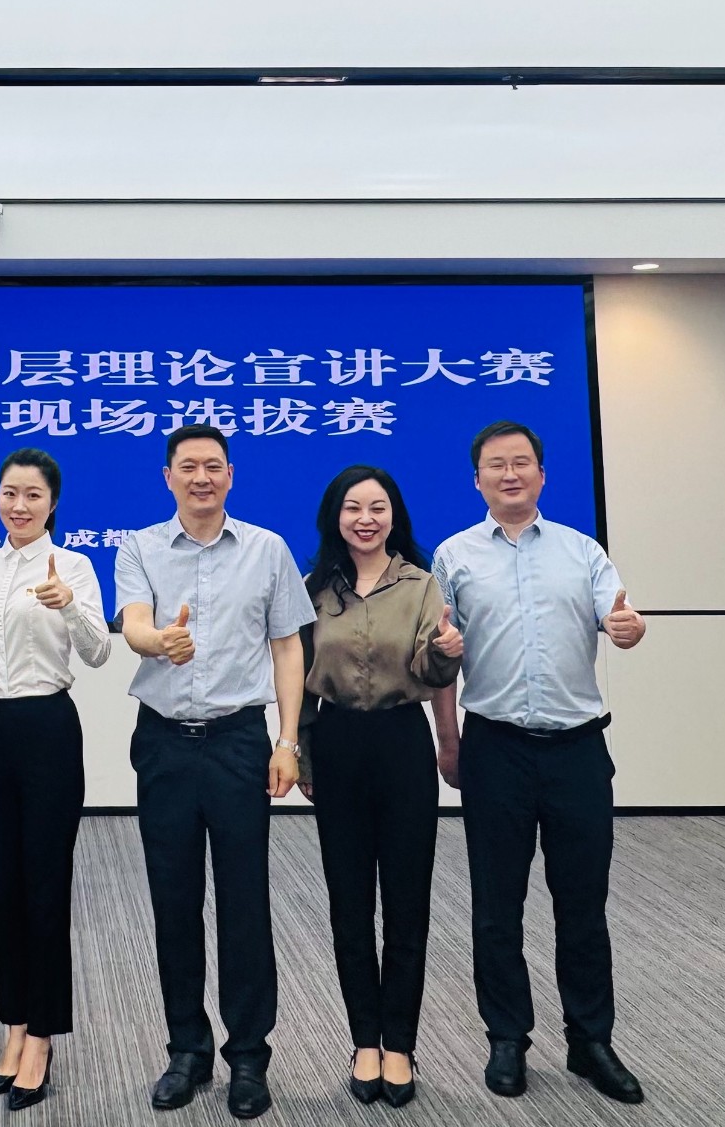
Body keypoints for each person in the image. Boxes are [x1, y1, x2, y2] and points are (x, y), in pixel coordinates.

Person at [431, 421, 648, 1105]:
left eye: (522, 462)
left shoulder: (583, 551)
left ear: (542, 475)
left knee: (583, 903)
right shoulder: (453, 556)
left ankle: (591, 1040)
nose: (510, 474)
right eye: (496, 465)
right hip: (495, 746)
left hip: (577, 749)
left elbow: (622, 618)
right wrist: (447, 738)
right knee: (497, 904)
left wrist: (629, 628)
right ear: (477, 480)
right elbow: (441, 655)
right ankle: (507, 1038)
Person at [115, 424, 317, 1121]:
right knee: (173, 900)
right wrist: (158, 641)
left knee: (243, 901)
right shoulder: (139, 546)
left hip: (238, 742)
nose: (201, 478)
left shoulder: (268, 549)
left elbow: (288, 647)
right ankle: (187, 1049)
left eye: (213, 466)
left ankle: (249, 1056)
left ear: (230, 474)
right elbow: (135, 623)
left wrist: (287, 741)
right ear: (167, 476)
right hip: (164, 744)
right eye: (188, 467)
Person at [0, 449, 111, 1111]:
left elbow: (98, 652)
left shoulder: (74, 565)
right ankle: (13, 1025)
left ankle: (41, 1035)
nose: (19, 505)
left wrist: (68, 605)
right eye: (10, 493)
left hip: (47, 726)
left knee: (45, 886)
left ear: (52, 503)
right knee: (1, 886)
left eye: (33, 495)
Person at [296, 465, 462, 1108]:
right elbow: (298, 679)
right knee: (348, 902)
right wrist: (301, 755)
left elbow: (430, 669)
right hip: (337, 744)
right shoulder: (314, 589)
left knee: (406, 901)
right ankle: (364, 1040)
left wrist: (446, 651)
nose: (365, 519)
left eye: (377, 507)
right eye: (352, 507)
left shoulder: (422, 585)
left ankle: (400, 1045)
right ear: (334, 517)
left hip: (401, 745)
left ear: (395, 515)